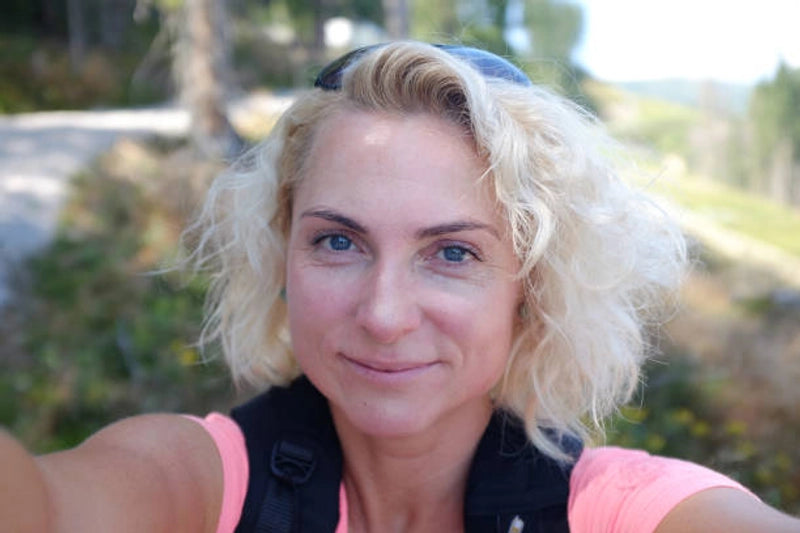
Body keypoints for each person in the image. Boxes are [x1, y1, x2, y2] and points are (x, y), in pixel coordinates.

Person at [1, 41, 798, 533]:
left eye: (451, 252)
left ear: (530, 286)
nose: (383, 314)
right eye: (337, 241)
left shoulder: (620, 509)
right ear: (283, 257)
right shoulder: (202, 484)